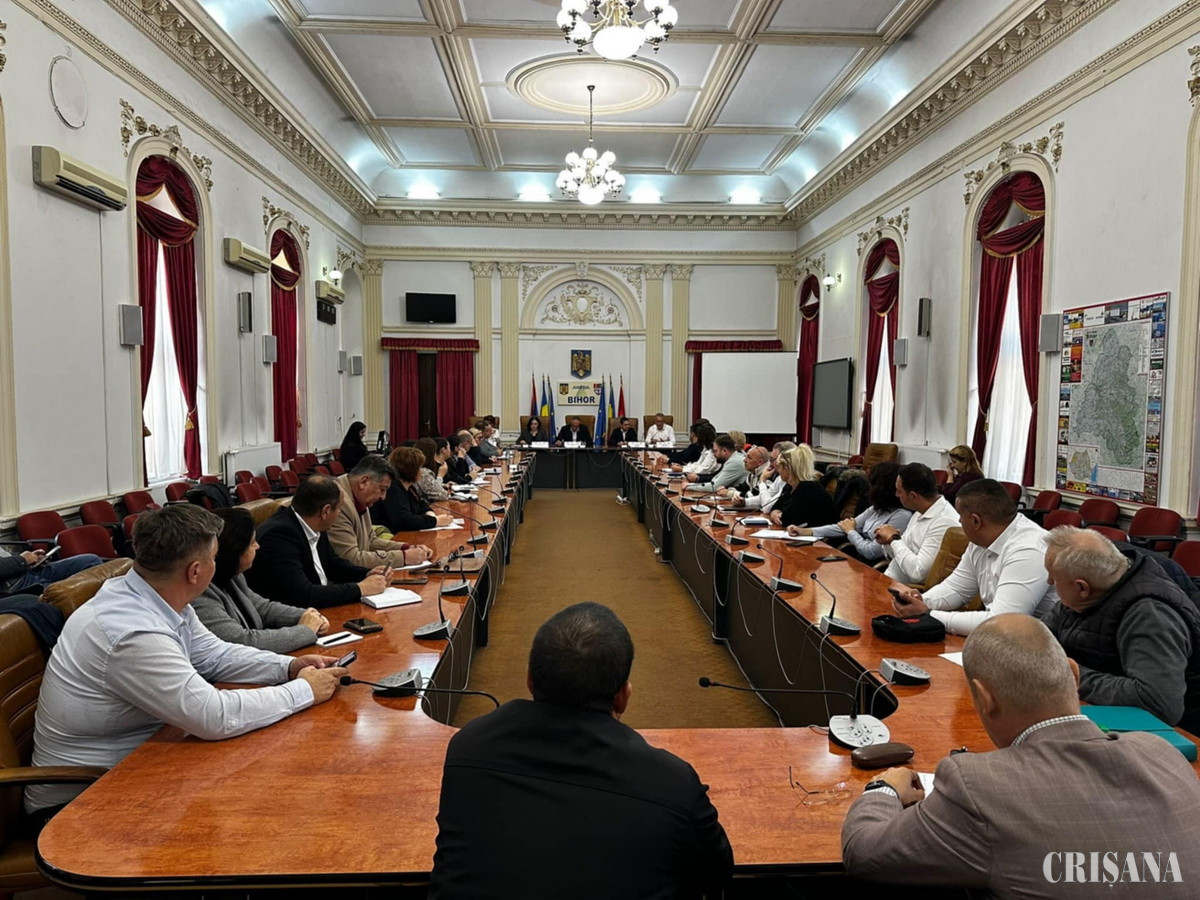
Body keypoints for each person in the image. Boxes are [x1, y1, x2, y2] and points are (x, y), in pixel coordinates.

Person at [841, 615, 1200, 897]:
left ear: (984, 698)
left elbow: (864, 851)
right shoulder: (1163, 754)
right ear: (1073, 675)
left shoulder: (978, 787)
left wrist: (883, 789)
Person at [26, 504, 347, 817]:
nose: (216, 565)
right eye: (213, 558)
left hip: (144, 762)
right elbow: (213, 716)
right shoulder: (132, 632)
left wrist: (288, 668)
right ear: (195, 571)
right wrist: (303, 691)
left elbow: (215, 654)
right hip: (82, 800)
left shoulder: (156, 595)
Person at [429, 602, 732, 898]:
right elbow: (716, 874)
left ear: (529, 680)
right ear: (623, 698)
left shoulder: (468, 747)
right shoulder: (673, 784)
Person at [1042, 526, 1200, 733]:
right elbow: (1038, 639)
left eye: (1053, 579)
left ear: (1082, 587)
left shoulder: (1149, 615)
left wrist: (1068, 674)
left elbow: (1157, 701)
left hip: (1174, 734)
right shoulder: (1088, 592)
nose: (1049, 582)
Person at [889, 479, 1057, 635]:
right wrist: (921, 600)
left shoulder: (1028, 550)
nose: (959, 521)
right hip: (1004, 640)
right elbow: (956, 588)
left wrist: (928, 614)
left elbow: (1002, 623)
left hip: (1034, 643)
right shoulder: (981, 540)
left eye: (961, 517)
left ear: (976, 521)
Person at [191, 507, 328, 652]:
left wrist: (308, 616)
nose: (257, 546)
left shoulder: (233, 576)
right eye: (252, 543)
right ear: (234, 551)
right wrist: (305, 630)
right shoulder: (199, 593)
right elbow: (242, 641)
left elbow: (263, 608)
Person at [246, 475, 391, 608]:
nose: (339, 513)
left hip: (319, 610)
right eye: (339, 508)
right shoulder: (278, 536)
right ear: (325, 511)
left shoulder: (314, 524)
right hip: (292, 618)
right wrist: (360, 589)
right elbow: (303, 595)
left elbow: (332, 564)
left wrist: (367, 574)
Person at [792, 461, 911, 563]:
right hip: (858, 560)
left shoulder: (901, 516)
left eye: (872, 485)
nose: (869, 489)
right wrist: (808, 531)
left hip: (873, 567)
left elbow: (870, 552)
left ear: (883, 488)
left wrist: (851, 531)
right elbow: (842, 527)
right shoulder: (876, 509)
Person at [329, 458, 433, 567]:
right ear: (364, 482)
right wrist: (404, 557)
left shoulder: (360, 497)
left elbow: (370, 540)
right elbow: (350, 559)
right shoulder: (338, 502)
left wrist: (406, 548)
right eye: (382, 489)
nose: (383, 497)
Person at [877, 462, 961, 584]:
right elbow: (901, 556)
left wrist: (894, 539)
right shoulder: (920, 511)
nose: (896, 495)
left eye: (899, 491)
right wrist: (888, 543)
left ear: (913, 496)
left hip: (908, 591)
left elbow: (918, 574)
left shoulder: (944, 522)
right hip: (890, 581)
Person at [373, 447, 454, 534]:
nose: (421, 473)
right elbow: (404, 520)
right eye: (419, 468)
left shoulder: (409, 487)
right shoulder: (392, 489)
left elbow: (421, 504)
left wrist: (432, 516)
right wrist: (436, 521)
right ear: (411, 470)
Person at [769, 444, 836, 529]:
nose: (778, 471)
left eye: (780, 467)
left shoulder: (808, 488)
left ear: (787, 469)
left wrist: (778, 515)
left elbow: (788, 520)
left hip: (820, 535)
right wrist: (774, 514)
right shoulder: (789, 486)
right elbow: (775, 507)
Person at [0, 545, 106, 595]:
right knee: (64, 593)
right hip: (17, 586)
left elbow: (5, 556)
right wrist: (22, 560)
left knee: (91, 560)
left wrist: (32, 558)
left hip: (29, 570)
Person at [725, 441, 793, 512]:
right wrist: (745, 502)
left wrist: (762, 480)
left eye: (773, 460)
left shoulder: (772, 475)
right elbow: (764, 497)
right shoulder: (779, 478)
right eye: (770, 459)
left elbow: (766, 507)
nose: (770, 463)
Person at [413, 437, 450, 503]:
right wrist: (440, 476)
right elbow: (442, 496)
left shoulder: (418, 469)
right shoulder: (423, 473)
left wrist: (442, 485)